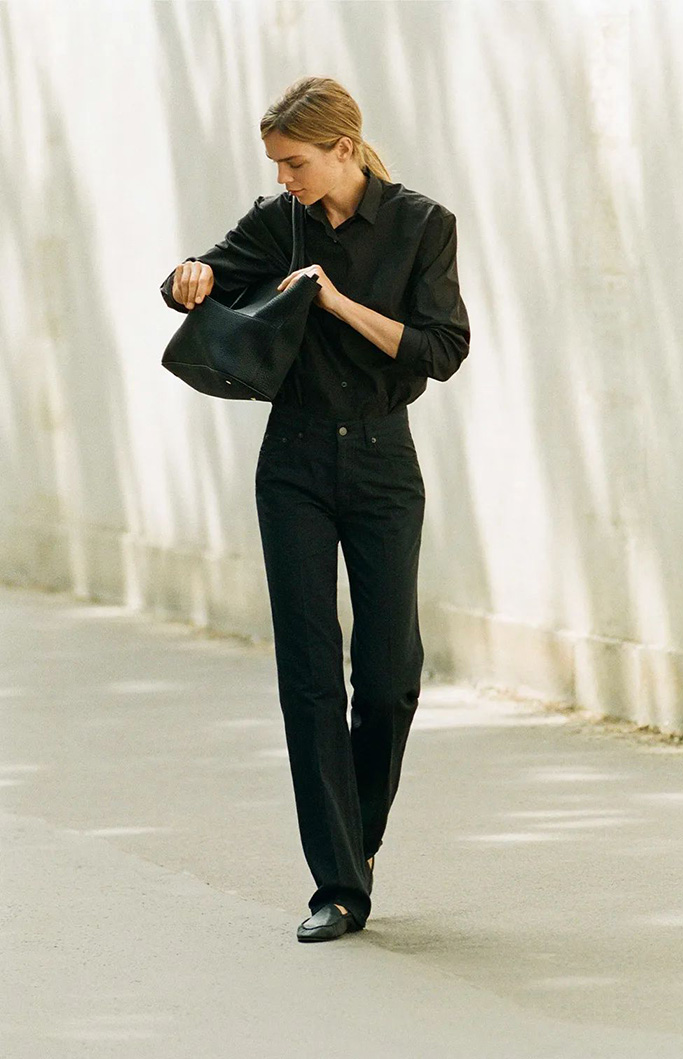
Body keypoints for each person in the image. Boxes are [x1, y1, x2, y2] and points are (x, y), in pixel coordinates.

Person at [160, 75, 470, 942]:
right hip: (292, 462)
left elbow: (443, 349)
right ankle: (337, 883)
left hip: (382, 461)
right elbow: (199, 275)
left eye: (295, 162)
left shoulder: (422, 225)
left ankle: (355, 840)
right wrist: (187, 277)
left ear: (344, 148)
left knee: (390, 674)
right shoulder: (280, 221)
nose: (284, 178)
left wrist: (336, 301)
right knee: (308, 671)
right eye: (276, 165)